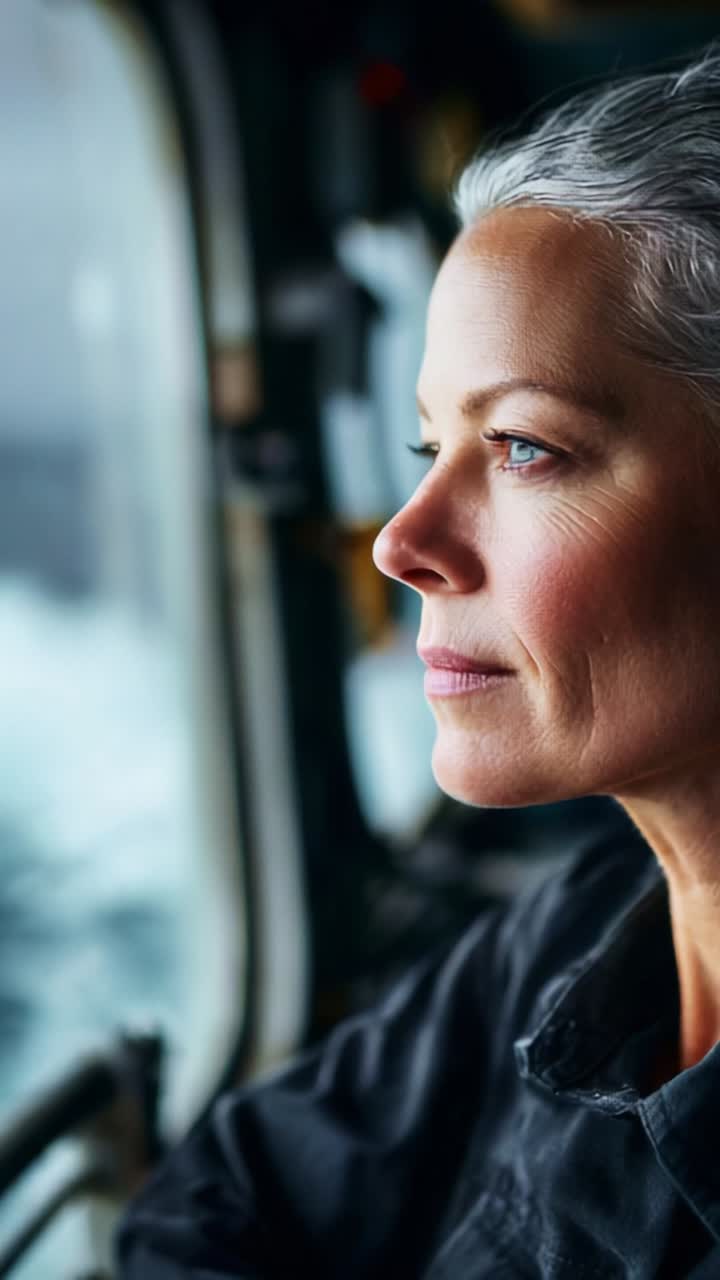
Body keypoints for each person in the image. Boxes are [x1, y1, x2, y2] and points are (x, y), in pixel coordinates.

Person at [116, 45, 720, 1278]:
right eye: (426, 441)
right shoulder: (577, 932)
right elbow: (217, 1198)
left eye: (523, 447)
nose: (402, 541)